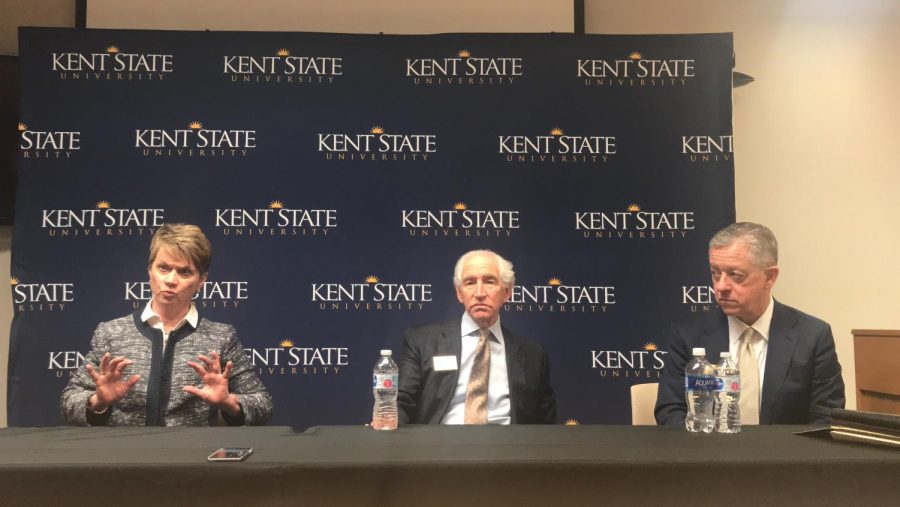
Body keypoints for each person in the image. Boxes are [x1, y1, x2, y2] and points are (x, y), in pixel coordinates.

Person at [60, 223, 273, 426]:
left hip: (192, 458)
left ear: (202, 280)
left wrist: (228, 402)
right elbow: (69, 400)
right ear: (149, 271)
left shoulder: (221, 336)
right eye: (163, 268)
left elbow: (263, 404)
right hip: (124, 457)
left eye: (185, 272)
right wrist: (98, 401)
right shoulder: (111, 333)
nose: (171, 280)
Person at [655, 222, 845, 426]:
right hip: (708, 455)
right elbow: (670, 411)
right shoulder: (688, 335)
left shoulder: (813, 337)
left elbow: (825, 419)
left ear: (769, 277)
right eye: (715, 273)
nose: (721, 286)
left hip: (785, 456)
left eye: (735, 275)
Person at [395, 249, 556, 425]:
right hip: (440, 446)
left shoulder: (532, 353)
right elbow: (400, 402)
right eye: (470, 282)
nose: (479, 293)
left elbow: (546, 423)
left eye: (489, 281)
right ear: (459, 292)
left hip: (509, 447)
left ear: (507, 292)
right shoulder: (422, 341)